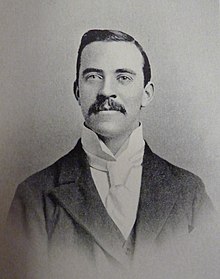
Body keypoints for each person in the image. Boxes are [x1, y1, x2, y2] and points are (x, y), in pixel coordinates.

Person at [2, 29, 216, 279]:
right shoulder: (34, 198)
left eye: (123, 77)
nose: (106, 91)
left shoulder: (189, 194)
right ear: (77, 91)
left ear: (146, 94)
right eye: (93, 76)